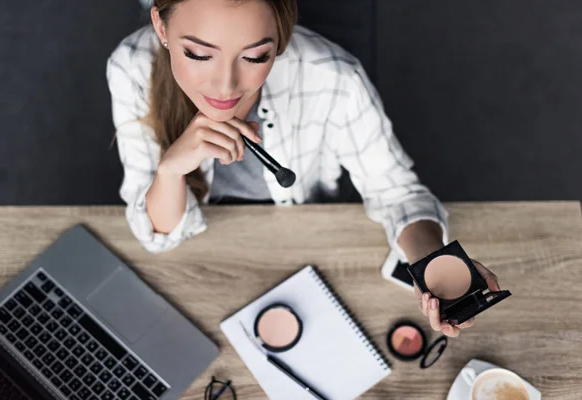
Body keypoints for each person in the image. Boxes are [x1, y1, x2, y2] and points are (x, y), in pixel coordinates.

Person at [106, 0, 500, 337]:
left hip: (308, 244)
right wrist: (172, 170)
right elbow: (155, 236)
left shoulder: (334, 77)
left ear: (281, 38)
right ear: (160, 25)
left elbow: (398, 194)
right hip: (199, 275)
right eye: (198, 54)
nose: (225, 87)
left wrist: (437, 266)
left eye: (256, 56)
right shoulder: (131, 67)